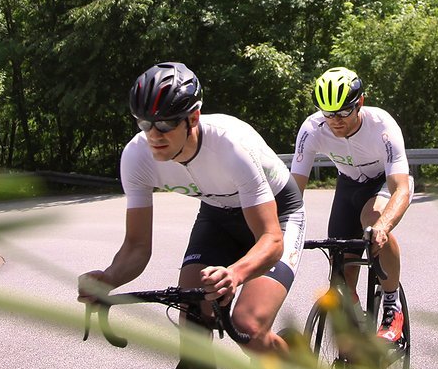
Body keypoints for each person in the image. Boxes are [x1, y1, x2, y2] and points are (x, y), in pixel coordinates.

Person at [79, 61, 304, 354]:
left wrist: (235, 274)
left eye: (166, 123)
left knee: (248, 325)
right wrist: (108, 279)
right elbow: (136, 247)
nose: (154, 135)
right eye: (144, 123)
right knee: (193, 322)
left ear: (194, 117)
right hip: (216, 213)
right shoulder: (136, 157)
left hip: (278, 213)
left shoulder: (231, 148)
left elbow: (271, 241)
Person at [289, 67, 412, 343]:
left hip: (383, 182)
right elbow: (293, 189)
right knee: (340, 274)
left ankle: (392, 304)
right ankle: (359, 326)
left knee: (373, 222)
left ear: (360, 103)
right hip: (348, 185)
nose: (335, 120)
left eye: (344, 111)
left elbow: (401, 189)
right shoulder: (312, 129)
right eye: (328, 113)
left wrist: (383, 226)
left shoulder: (382, 127)